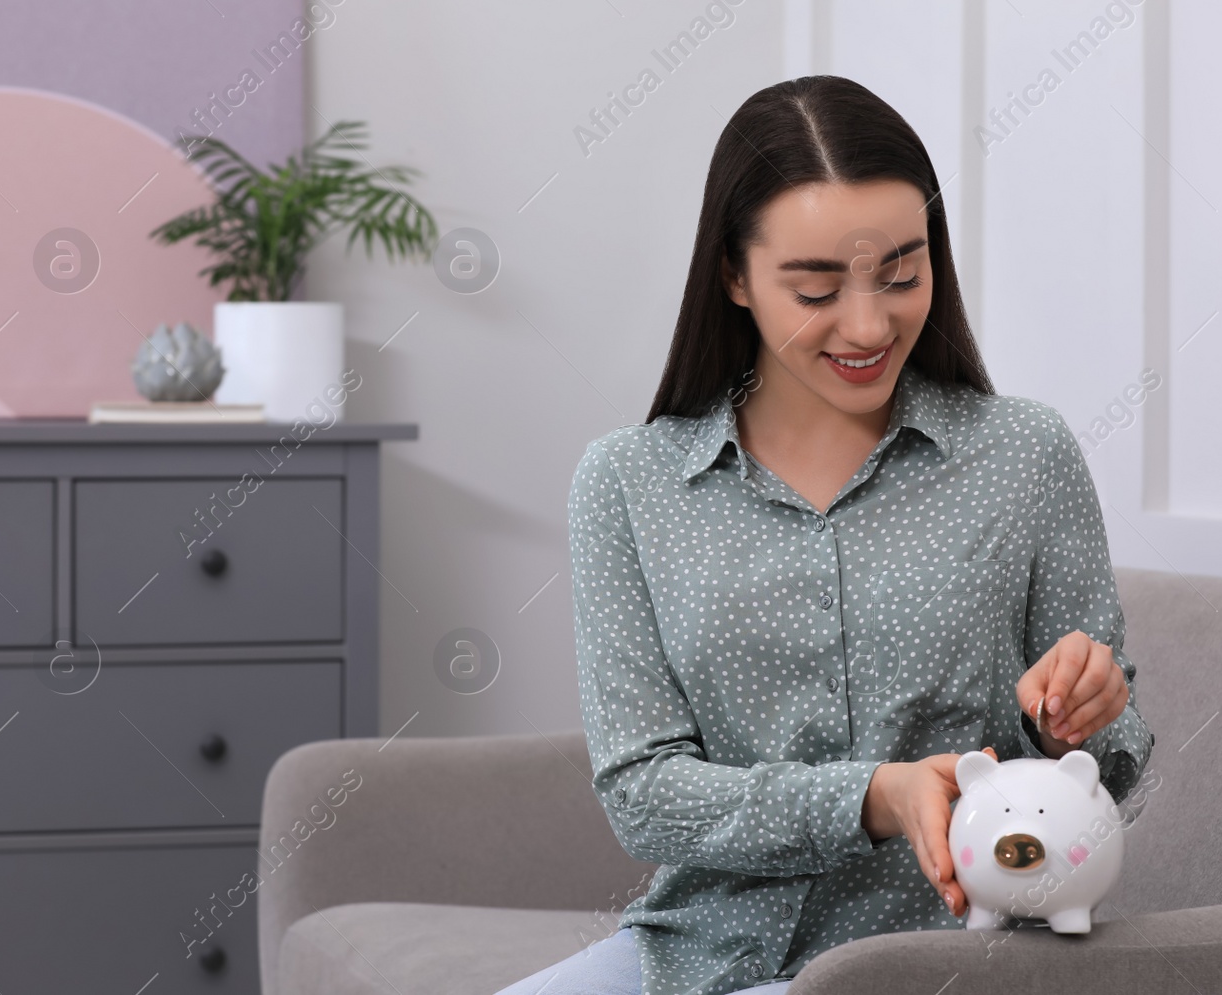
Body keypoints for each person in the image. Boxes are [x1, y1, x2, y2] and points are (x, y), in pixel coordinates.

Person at [495, 74, 1154, 995]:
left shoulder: (1023, 453)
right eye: (815, 288)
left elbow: (1108, 766)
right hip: (705, 947)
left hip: (952, 955)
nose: (868, 323)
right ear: (733, 275)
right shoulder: (628, 484)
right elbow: (644, 796)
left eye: (901, 272)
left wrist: (1086, 711)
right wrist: (871, 797)